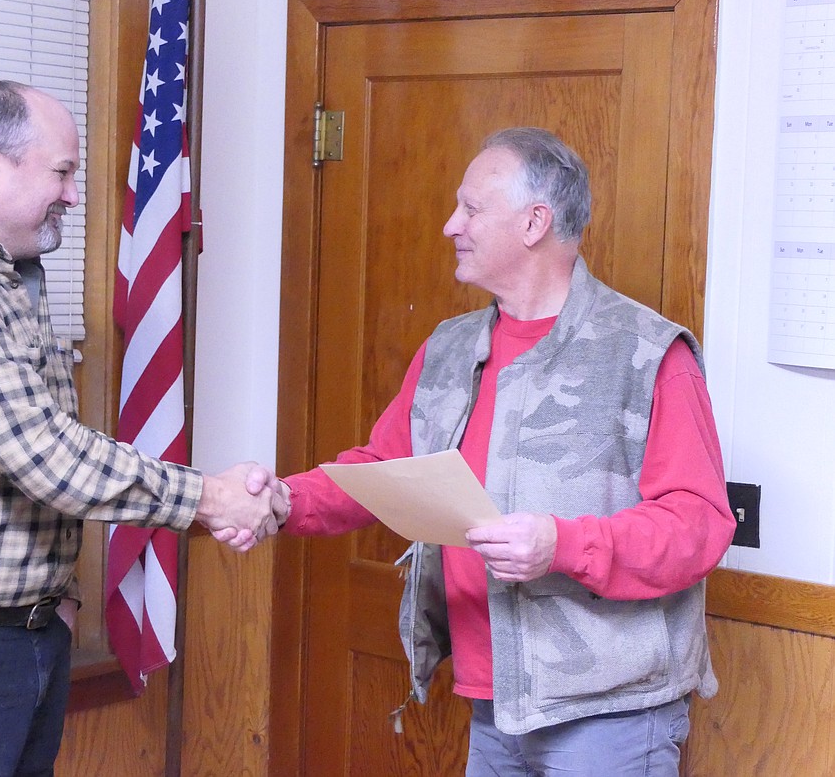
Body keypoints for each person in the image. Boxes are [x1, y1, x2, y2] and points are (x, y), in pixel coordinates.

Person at [0, 80, 279, 777]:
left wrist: (47, 604)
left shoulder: (10, 281)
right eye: (61, 171)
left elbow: (22, 471)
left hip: (8, 643)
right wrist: (211, 499)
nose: (72, 193)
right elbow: (40, 452)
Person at [256, 127, 735, 775]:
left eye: (472, 209)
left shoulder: (648, 354)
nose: (452, 224)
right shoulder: (451, 347)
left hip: (608, 716)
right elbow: (382, 470)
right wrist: (283, 499)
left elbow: (699, 525)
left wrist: (559, 545)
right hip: (492, 708)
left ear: (536, 221)